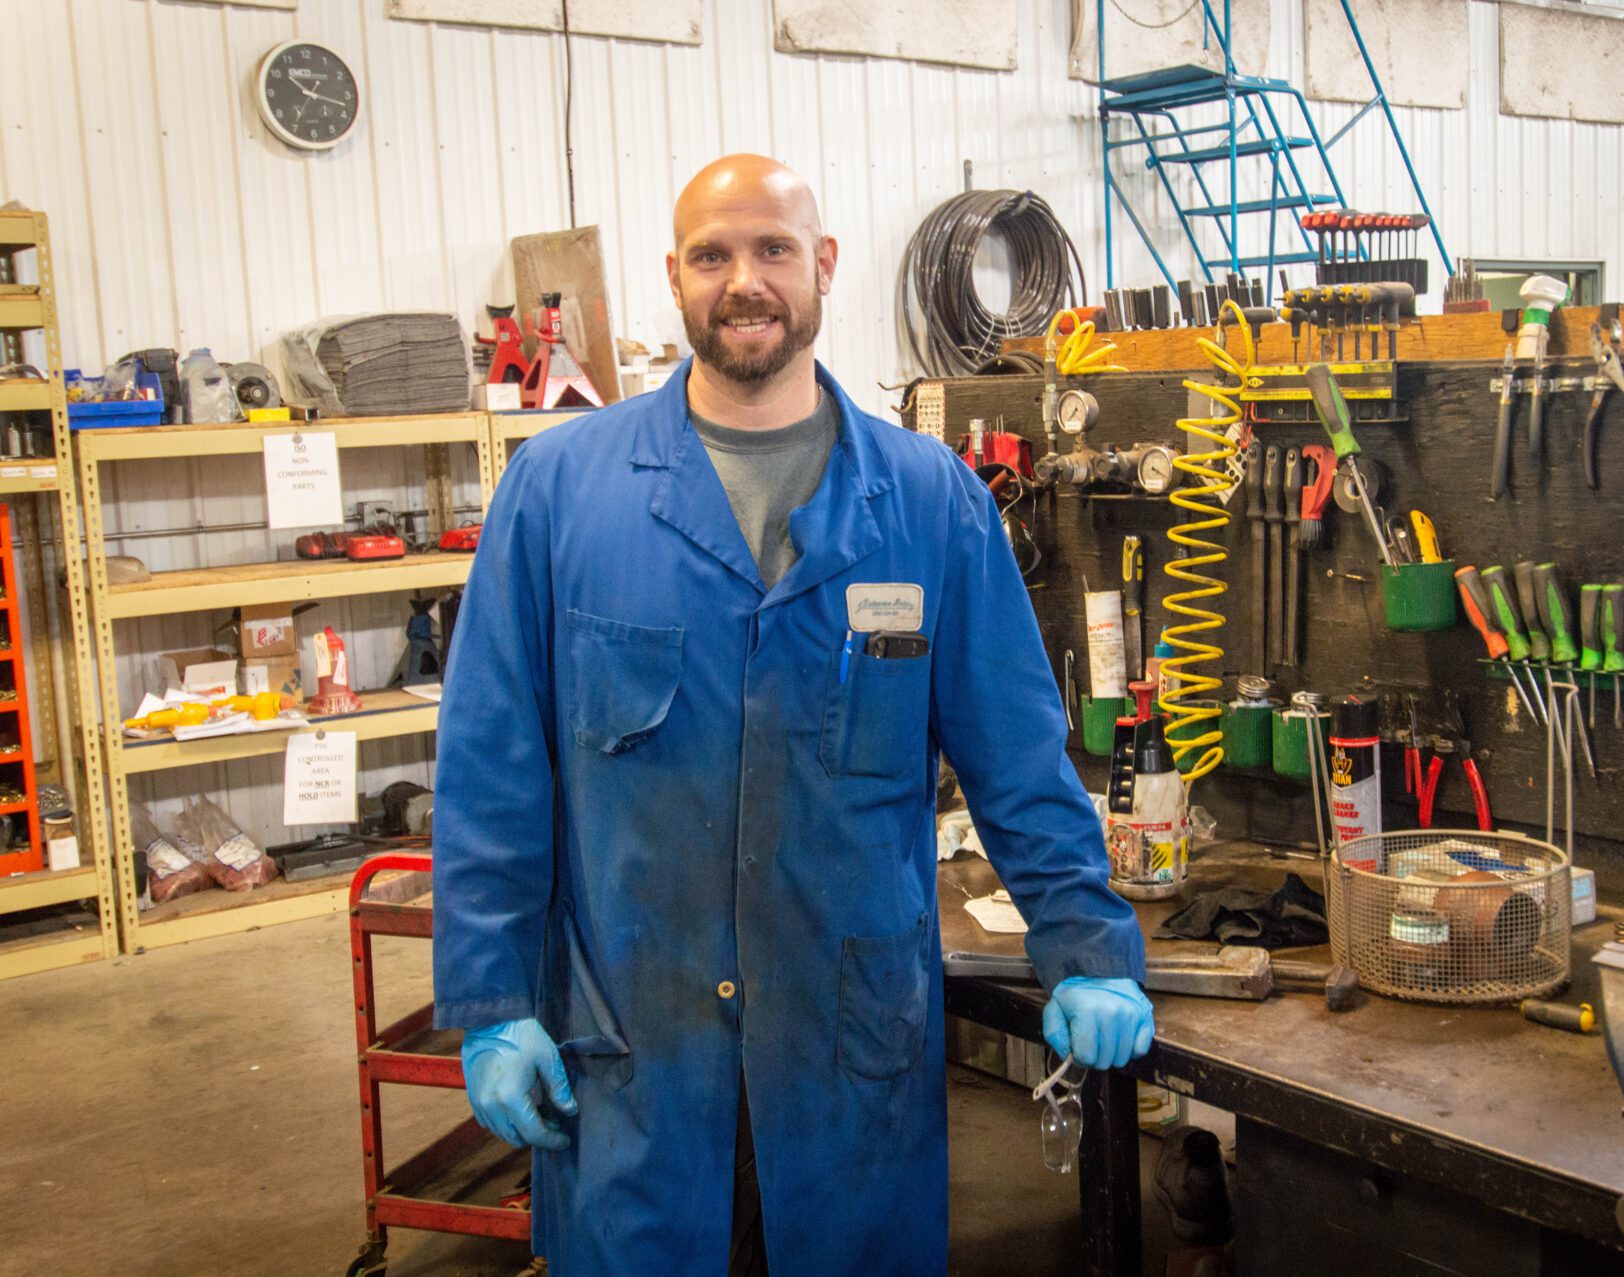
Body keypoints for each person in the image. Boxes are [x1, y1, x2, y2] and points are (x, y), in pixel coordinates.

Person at [432, 154, 1153, 1276]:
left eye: (773, 249)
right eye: (713, 255)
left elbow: (1017, 752)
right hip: (635, 1051)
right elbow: (492, 766)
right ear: (675, 277)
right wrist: (491, 996)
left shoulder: (929, 501)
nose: (745, 280)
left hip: (847, 1051)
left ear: (820, 266)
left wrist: (1088, 944)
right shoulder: (560, 493)